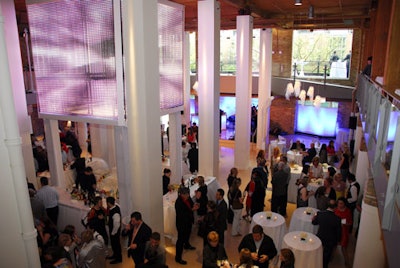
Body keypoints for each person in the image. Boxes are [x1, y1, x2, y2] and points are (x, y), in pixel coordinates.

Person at [312, 202, 342, 268]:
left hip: (320, 236)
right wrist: (338, 240)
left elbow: (314, 222)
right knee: (327, 255)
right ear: (335, 208)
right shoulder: (337, 219)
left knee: (318, 252)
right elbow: (338, 231)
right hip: (330, 239)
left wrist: (314, 217)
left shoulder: (320, 214)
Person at [175, 187, 199, 265]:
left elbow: (191, 204)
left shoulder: (188, 198)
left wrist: (194, 206)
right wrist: (192, 210)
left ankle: (187, 244)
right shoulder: (178, 202)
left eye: (188, 193)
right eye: (186, 194)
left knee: (188, 233)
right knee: (180, 240)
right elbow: (181, 215)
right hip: (181, 224)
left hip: (188, 221)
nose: (188, 195)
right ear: (182, 194)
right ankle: (178, 257)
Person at [334, 197, 353, 267]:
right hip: (336, 231)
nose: (339, 205)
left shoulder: (348, 211)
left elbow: (350, 223)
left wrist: (344, 224)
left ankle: (347, 262)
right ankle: (331, 258)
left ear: (344, 204)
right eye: (338, 203)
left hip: (344, 232)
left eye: (341, 203)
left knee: (344, 247)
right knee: (334, 245)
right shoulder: (335, 210)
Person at [106, 196, 122, 264]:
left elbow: (117, 224)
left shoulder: (115, 212)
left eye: (107, 203)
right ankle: (115, 255)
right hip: (113, 231)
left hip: (114, 232)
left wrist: (113, 233)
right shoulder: (114, 207)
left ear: (109, 203)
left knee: (116, 245)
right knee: (114, 245)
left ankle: (118, 258)